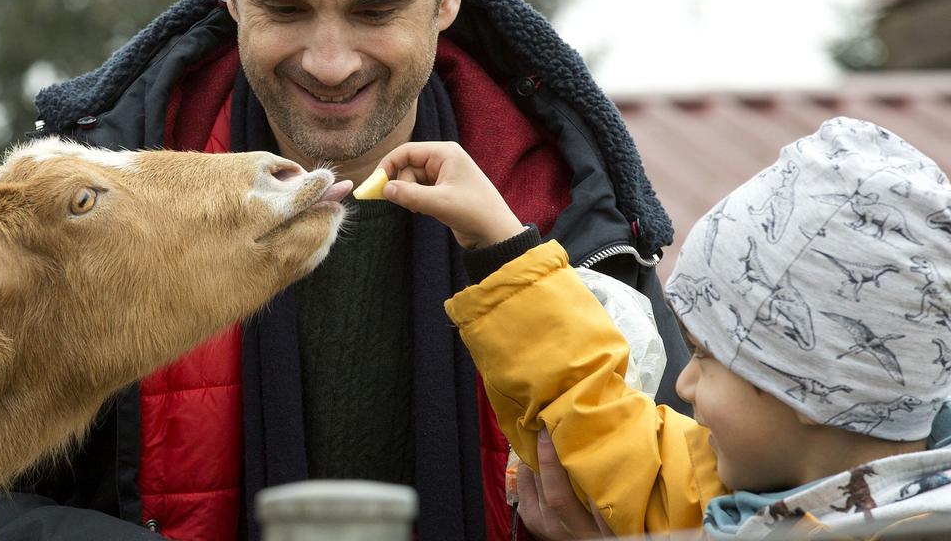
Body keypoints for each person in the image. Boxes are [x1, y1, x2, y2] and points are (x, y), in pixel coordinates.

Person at [0, 0, 690, 539]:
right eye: (284, 6)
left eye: (376, 11)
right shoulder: (87, 211)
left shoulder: (572, 219)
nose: (329, 62)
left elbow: (708, 502)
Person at [379, 118, 951, 538]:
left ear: (806, 386)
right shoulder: (716, 485)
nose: (683, 385)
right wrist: (499, 243)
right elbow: (594, 419)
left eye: (704, 357)